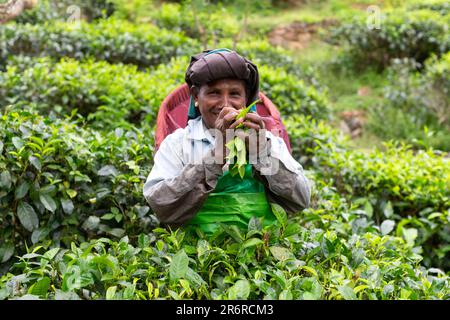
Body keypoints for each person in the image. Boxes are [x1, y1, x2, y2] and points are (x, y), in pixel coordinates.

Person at [143, 48, 310, 233]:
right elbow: (160, 206)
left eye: (235, 94)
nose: (225, 104)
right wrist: (216, 156)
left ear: (246, 100)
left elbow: (300, 201)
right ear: (196, 97)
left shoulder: (267, 140)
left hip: (263, 251)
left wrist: (262, 154)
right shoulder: (178, 144)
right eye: (214, 93)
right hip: (198, 256)